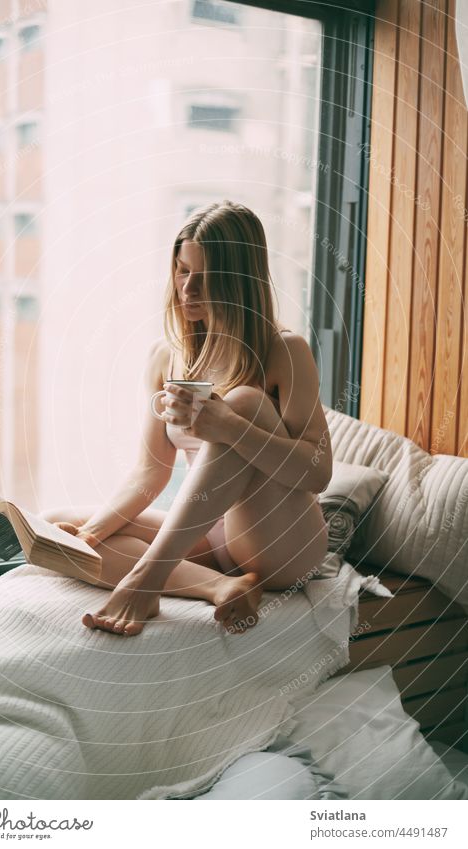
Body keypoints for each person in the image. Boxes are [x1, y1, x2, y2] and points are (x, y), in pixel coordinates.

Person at [40, 200, 332, 636]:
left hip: (280, 540)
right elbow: (149, 474)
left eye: (205, 274)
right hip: (211, 536)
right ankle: (220, 587)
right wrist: (94, 533)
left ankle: (146, 581)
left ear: (239, 279)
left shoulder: (284, 350)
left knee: (247, 402)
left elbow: (317, 472)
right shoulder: (166, 356)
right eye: (181, 270)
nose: (188, 288)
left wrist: (230, 427)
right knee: (56, 531)